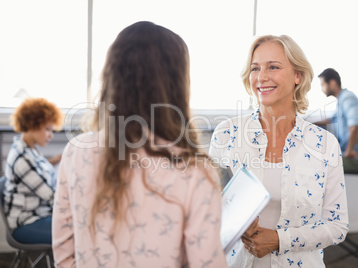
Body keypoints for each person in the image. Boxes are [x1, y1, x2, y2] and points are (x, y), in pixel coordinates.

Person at [52, 21, 228, 267]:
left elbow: (63, 252)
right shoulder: (195, 171)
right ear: (177, 85)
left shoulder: (75, 151)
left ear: (111, 78)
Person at [209, 35, 349, 267]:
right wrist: (233, 223)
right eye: (255, 68)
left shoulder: (325, 144)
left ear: (298, 76)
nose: (262, 77)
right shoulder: (227, 134)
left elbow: (337, 226)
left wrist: (279, 240)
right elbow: (205, 211)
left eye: (273, 67)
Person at [3, 97, 63, 244]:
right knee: (77, 232)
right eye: (47, 129)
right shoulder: (22, 158)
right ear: (32, 125)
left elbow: (36, 169)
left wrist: (56, 160)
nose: (51, 135)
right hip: (26, 223)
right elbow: (52, 198)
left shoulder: (27, 149)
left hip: (38, 215)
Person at [316, 68, 358, 174]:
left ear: (332, 83)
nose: (322, 89)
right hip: (353, 157)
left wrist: (348, 151)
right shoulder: (341, 100)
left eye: (323, 84)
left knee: (315, 163)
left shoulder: (347, 98)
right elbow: (330, 119)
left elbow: (356, 125)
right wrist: (306, 122)